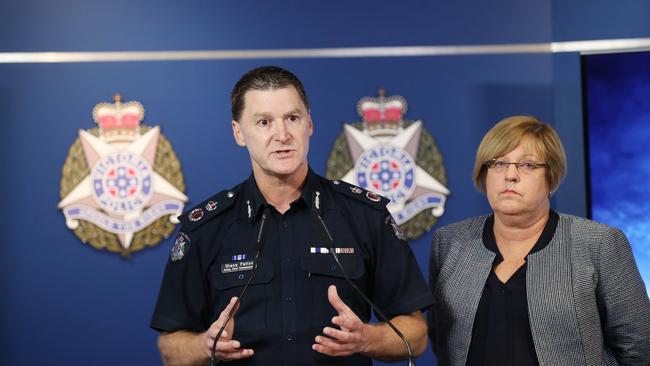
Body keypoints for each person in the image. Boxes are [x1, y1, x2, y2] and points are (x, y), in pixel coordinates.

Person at [151, 65, 433, 365]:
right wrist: (204, 345)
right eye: (263, 122)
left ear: (309, 124)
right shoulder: (206, 227)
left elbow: (415, 336)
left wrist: (367, 338)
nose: (282, 135)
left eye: (292, 118)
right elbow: (170, 348)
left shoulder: (365, 216)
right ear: (238, 133)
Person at [427, 115, 650, 366]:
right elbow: (441, 340)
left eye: (528, 165)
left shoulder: (599, 243)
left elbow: (639, 350)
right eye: (498, 163)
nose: (510, 175)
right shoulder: (448, 242)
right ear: (483, 173)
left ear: (551, 177)